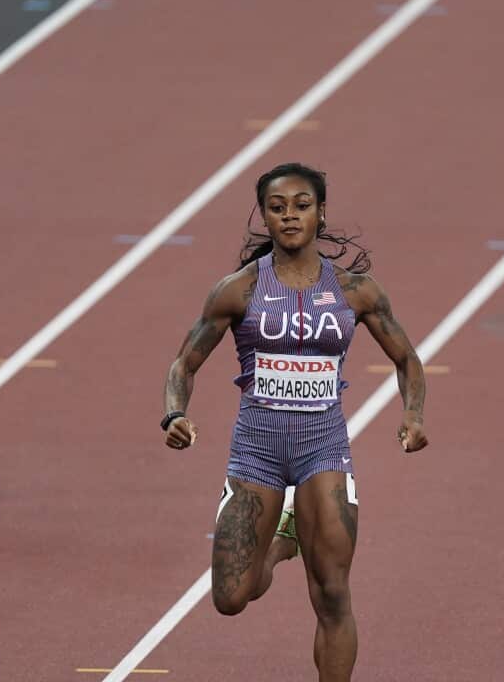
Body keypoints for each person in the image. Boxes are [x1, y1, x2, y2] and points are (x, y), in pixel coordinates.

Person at [162, 162, 429, 681]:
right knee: (230, 597)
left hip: (322, 451)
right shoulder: (236, 291)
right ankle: (285, 539)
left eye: (301, 206)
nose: (289, 217)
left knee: (332, 594)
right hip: (255, 453)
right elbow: (183, 363)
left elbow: (409, 360)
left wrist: (413, 415)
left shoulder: (356, 291)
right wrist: (176, 412)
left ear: (320, 213)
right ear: (265, 216)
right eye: (277, 208)